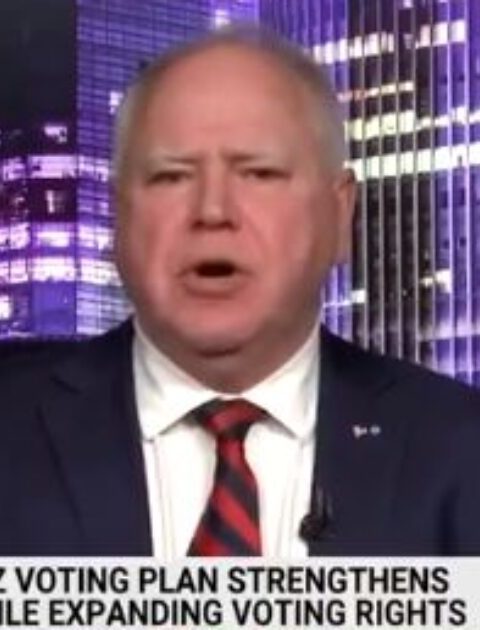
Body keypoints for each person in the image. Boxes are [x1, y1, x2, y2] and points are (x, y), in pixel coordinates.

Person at [2, 25, 480, 556]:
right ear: (120, 215)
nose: (212, 211)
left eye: (259, 173)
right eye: (171, 177)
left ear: (338, 213)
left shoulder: (461, 451)